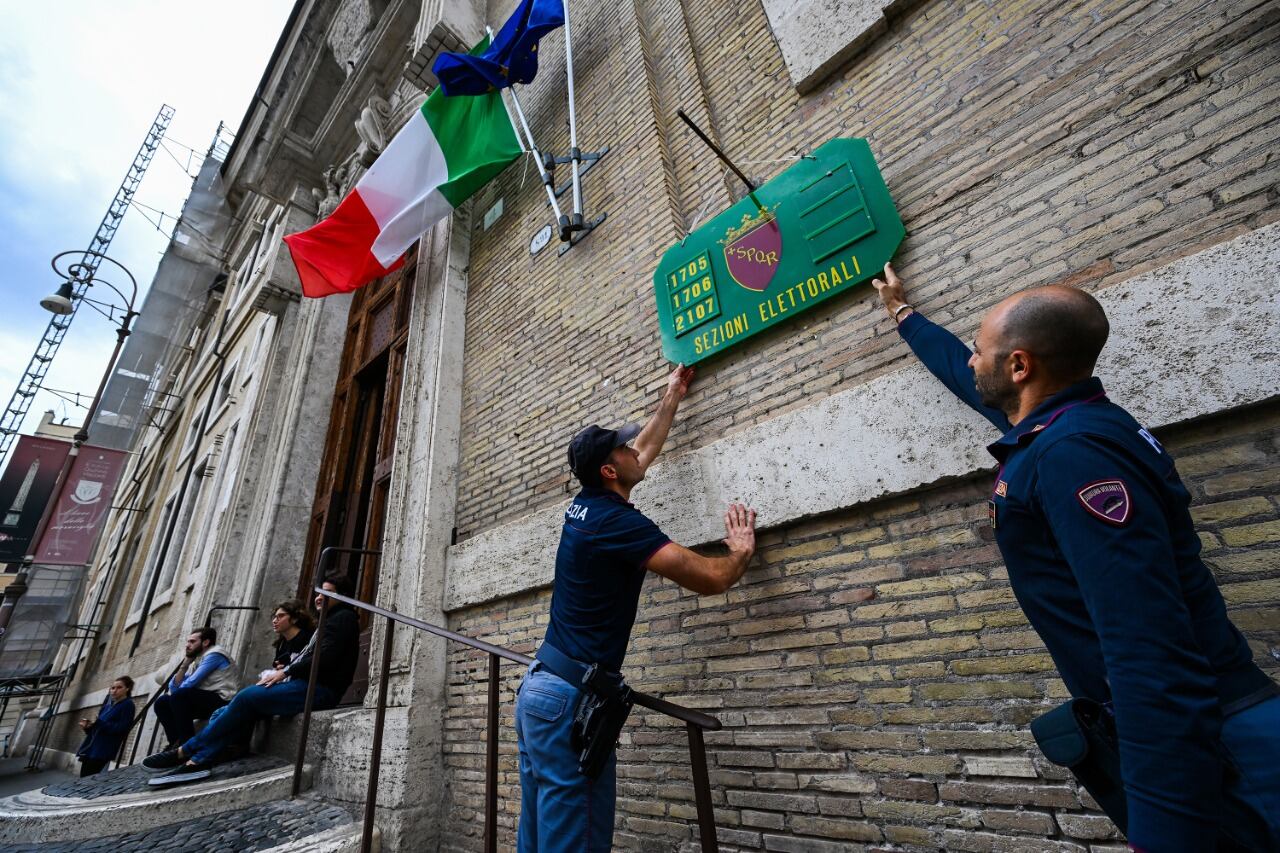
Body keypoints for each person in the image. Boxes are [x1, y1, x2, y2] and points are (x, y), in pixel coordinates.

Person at [872, 263, 1279, 852]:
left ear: (1020, 366)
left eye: (981, 350)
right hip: (1206, 737)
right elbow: (969, 382)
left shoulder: (1073, 455)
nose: (971, 361)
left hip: (1218, 747)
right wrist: (904, 316)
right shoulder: (1065, 426)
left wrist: (1164, 830)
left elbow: (1148, 647)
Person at [516, 365, 758, 852]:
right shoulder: (615, 524)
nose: (633, 450)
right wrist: (740, 552)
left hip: (542, 691)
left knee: (539, 839)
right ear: (609, 471)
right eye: (621, 449)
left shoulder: (586, 503)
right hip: (569, 702)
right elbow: (709, 578)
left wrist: (672, 395)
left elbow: (642, 453)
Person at [141, 577, 360, 786]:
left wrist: (285, 672)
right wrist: (283, 671)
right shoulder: (329, 620)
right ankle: (197, 761)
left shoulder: (343, 617)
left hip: (320, 690)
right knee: (228, 710)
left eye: (327, 592)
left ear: (344, 596)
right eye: (318, 592)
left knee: (247, 697)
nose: (318, 597)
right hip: (305, 685)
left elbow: (325, 656)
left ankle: (185, 750)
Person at [152, 627, 238, 749]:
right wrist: (185, 665)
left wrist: (176, 693)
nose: (187, 645)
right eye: (187, 642)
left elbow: (190, 683)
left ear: (206, 642)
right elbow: (174, 687)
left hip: (222, 700)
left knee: (180, 696)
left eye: (192, 642)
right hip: (205, 700)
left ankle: (186, 745)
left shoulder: (214, 654)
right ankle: (175, 743)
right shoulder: (198, 660)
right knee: (161, 702)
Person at [75, 676, 135, 777]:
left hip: (104, 749)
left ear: (127, 689)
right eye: (113, 688)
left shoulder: (128, 705)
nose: (114, 691)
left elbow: (122, 728)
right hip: (92, 747)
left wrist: (99, 723)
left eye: (119, 687)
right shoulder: (107, 706)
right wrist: (88, 727)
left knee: (89, 780)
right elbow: (98, 728)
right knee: (83, 779)